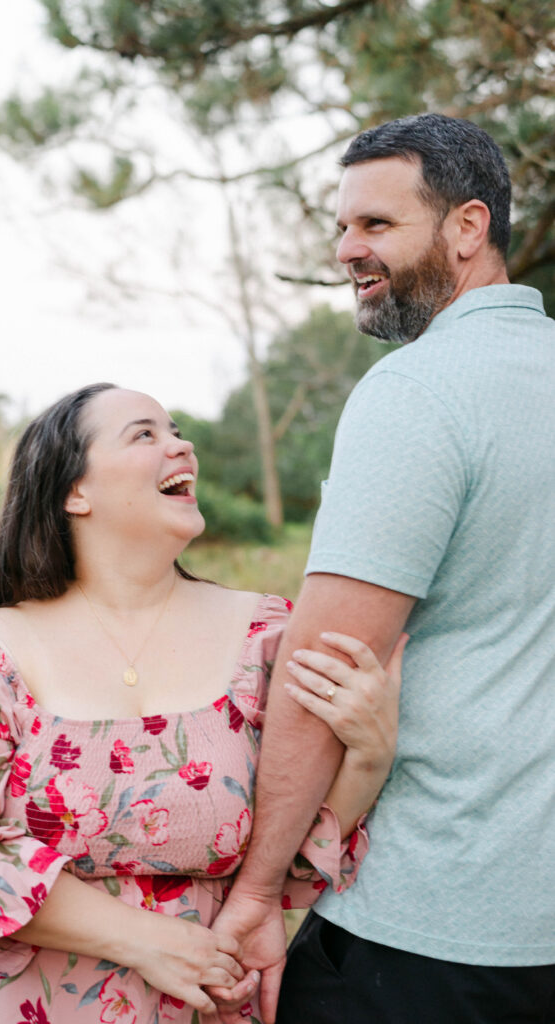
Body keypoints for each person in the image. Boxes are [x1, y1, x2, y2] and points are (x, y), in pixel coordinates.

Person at [0, 382, 406, 1024]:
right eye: (145, 434)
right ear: (74, 492)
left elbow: (288, 861)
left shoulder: (269, 638)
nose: (182, 446)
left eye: (177, 431)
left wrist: (369, 759)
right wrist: (150, 942)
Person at [211, 113, 555, 1024]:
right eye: (340, 226)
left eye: (375, 225)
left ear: (467, 228)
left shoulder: (417, 392)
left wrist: (252, 900)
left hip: (433, 921)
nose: (346, 250)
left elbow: (325, 669)